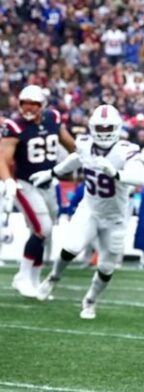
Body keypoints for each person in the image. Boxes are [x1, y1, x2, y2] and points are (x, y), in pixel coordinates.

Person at [32, 104, 144, 318]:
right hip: (90, 209)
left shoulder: (125, 151)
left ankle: (90, 300)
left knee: (106, 267)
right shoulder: (84, 144)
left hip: (116, 218)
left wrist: (116, 173)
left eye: (108, 128)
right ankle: (53, 278)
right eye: (100, 128)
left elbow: (141, 177)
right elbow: (76, 159)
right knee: (71, 247)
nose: (103, 132)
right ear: (93, 128)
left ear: (117, 127)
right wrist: (52, 173)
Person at [0, 85, 75, 298]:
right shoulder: (14, 126)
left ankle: (33, 280)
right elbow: (2, 157)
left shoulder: (53, 118)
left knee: (43, 234)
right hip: (26, 184)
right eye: (25, 103)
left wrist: (85, 158)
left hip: (49, 183)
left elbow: (69, 143)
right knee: (42, 229)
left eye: (33, 103)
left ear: (42, 105)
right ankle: (24, 277)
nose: (29, 108)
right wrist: (8, 181)